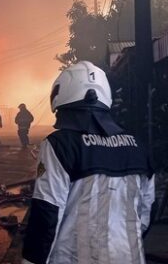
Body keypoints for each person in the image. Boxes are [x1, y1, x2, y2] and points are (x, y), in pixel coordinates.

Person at [21, 61, 155, 264]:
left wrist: (31, 261)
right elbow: (146, 211)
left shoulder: (59, 145)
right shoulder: (138, 147)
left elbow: (47, 212)